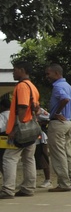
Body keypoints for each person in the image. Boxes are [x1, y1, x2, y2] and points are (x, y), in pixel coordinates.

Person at [1, 60, 40, 199]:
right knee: (29, 158)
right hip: (32, 129)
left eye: (15, 69)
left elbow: (22, 107)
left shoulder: (22, 86)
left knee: (9, 158)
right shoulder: (32, 86)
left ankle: (7, 190)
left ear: (22, 70)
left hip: (22, 128)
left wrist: (15, 128)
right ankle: (28, 188)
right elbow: (37, 109)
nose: (13, 72)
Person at [45, 64, 71, 192]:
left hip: (58, 122)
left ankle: (64, 183)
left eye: (48, 74)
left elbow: (65, 99)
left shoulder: (57, 86)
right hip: (68, 122)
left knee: (58, 154)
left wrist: (57, 112)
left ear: (56, 73)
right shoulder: (68, 86)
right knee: (67, 153)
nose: (47, 77)